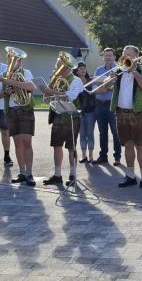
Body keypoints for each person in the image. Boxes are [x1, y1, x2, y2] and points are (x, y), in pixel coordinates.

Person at [114, 45, 142, 190]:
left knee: (141, 146)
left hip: (138, 112)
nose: (126, 58)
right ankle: (130, 176)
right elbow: (106, 88)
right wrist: (109, 80)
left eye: (130, 55)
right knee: (128, 145)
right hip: (121, 112)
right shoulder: (119, 71)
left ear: (137, 56)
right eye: (125, 55)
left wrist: (134, 72)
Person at [0, 53, 36, 186]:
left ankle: (29, 173)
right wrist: (6, 91)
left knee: (27, 142)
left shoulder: (27, 72)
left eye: (17, 60)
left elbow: (30, 87)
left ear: (21, 61)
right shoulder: (3, 75)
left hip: (25, 110)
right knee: (18, 144)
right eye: (11, 59)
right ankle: (22, 172)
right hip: (11, 111)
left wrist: (11, 82)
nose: (14, 62)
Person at [42, 58, 83, 187]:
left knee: (72, 147)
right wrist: (48, 89)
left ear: (68, 67)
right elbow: (46, 99)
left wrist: (52, 91)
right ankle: (57, 175)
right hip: (58, 116)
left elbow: (70, 96)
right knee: (56, 146)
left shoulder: (76, 80)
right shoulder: (57, 80)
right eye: (57, 66)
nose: (57, 69)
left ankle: (73, 174)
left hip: (72, 117)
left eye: (60, 67)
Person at [94, 48, 122, 166]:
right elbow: (95, 88)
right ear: (103, 57)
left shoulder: (119, 69)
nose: (108, 58)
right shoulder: (98, 70)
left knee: (116, 132)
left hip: (113, 104)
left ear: (114, 57)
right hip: (100, 104)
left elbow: (118, 88)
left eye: (110, 56)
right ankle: (103, 156)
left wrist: (104, 86)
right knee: (102, 132)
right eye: (106, 56)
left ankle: (117, 157)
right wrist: (107, 86)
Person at [74, 62, 97, 164]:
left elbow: (96, 93)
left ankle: (91, 156)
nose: (83, 70)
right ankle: (84, 156)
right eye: (81, 69)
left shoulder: (91, 81)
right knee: (82, 134)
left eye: (84, 68)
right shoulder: (74, 81)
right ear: (77, 71)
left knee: (90, 134)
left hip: (90, 111)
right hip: (79, 112)